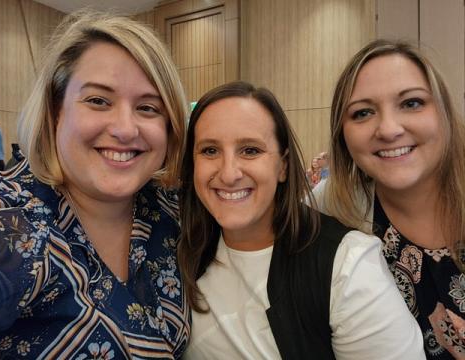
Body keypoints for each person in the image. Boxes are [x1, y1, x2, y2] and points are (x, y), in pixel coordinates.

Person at [0, 10, 190, 358]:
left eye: (148, 107)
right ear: (55, 111)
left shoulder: (173, 212)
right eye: (98, 101)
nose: (125, 129)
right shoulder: (9, 220)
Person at [178, 81, 425, 359]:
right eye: (210, 150)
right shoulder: (177, 251)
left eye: (250, 150)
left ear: (283, 165)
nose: (229, 173)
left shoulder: (347, 264)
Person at [313, 39, 465, 358]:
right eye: (363, 112)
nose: (388, 129)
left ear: (444, 111)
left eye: (411, 103)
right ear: (342, 134)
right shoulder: (332, 207)